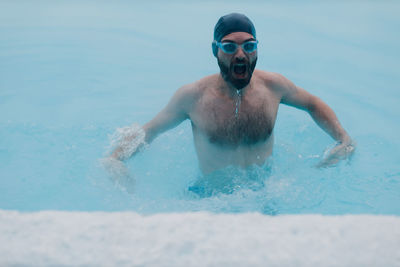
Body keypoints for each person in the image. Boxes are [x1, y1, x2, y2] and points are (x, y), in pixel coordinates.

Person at [103, 13, 355, 186]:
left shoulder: (273, 86)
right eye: (229, 47)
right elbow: (149, 131)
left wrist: (342, 137)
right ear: (215, 51)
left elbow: (313, 104)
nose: (240, 54)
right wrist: (115, 158)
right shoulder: (193, 97)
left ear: (257, 49)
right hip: (209, 198)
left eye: (248, 45)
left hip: (267, 192)